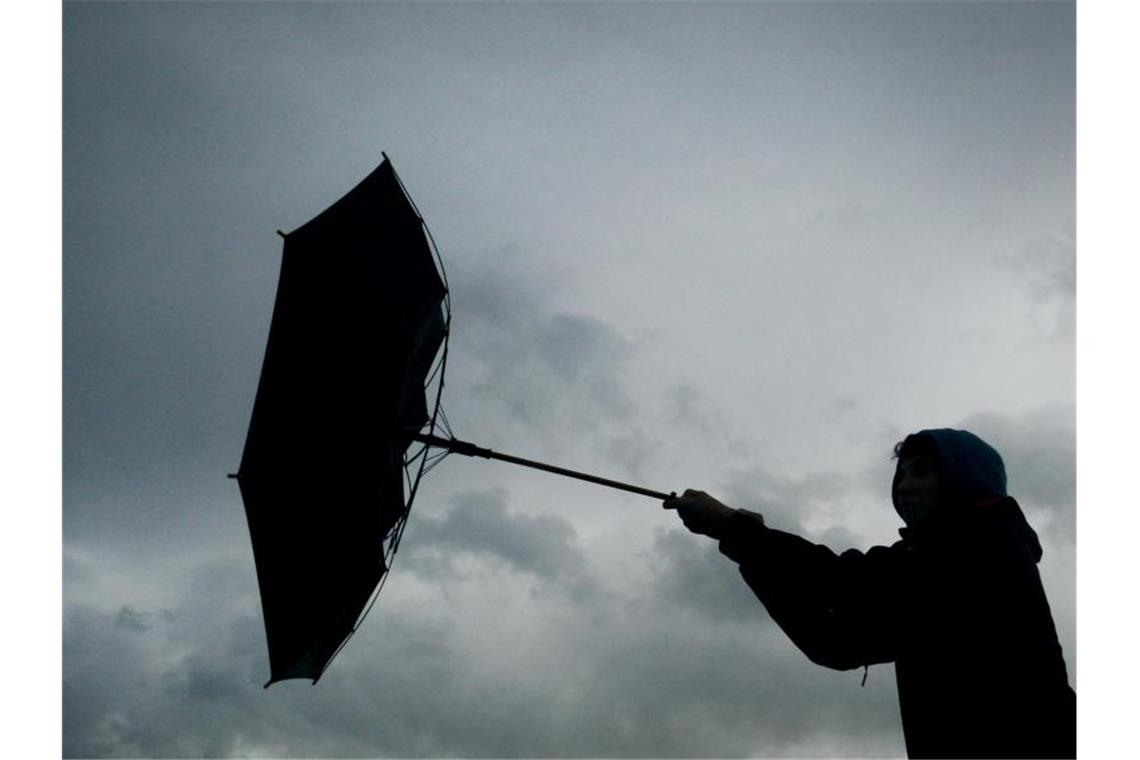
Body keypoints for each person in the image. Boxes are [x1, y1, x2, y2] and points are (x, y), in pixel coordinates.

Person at [664, 428, 1075, 759]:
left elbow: (843, 581)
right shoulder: (930, 564)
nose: (904, 487)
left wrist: (734, 528)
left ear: (966, 480)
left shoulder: (985, 546)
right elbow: (834, 643)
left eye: (923, 472)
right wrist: (748, 552)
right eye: (902, 476)